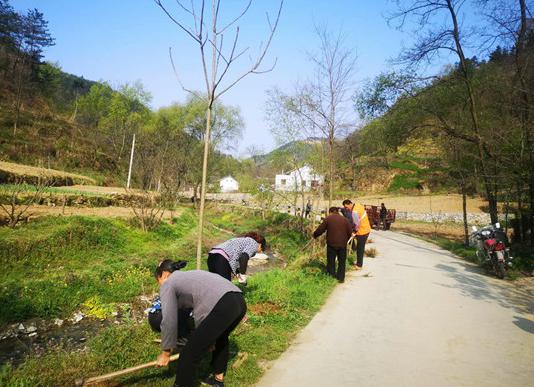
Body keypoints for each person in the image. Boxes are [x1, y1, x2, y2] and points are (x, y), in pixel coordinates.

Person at [154, 260, 246, 387]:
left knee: (189, 352)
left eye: (158, 281)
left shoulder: (168, 283)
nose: (159, 286)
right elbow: (204, 307)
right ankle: (218, 380)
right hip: (239, 301)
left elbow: (169, 320)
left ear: (163, 275)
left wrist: (165, 353)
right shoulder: (189, 275)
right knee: (221, 338)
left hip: (223, 304)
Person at [313, 207, 352, 282]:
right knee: (342, 261)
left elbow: (321, 229)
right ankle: (341, 278)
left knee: (331, 261)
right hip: (342, 244)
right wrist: (345, 240)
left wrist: (315, 235)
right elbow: (350, 232)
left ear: (330, 212)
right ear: (337, 212)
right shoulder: (345, 220)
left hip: (331, 244)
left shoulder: (328, 219)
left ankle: (331, 276)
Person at [341, 199, 371, 270]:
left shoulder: (354, 212)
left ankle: (359, 265)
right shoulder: (358, 205)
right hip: (366, 229)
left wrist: (354, 232)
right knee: (359, 247)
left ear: (349, 204)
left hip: (362, 231)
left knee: (360, 248)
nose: (346, 208)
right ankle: (358, 262)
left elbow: (357, 225)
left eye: (346, 207)